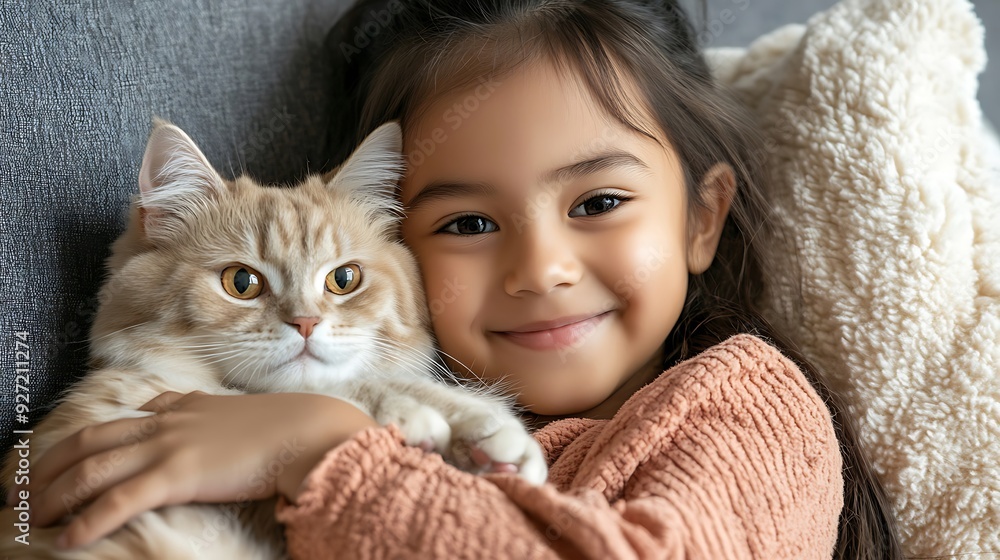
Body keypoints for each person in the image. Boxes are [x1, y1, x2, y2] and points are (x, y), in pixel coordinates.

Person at [18, 0, 902, 557]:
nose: (542, 269)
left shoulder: (745, 402)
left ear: (701, 219)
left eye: (597, 201)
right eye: (469, 224)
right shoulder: (377, 403)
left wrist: (319, 452)